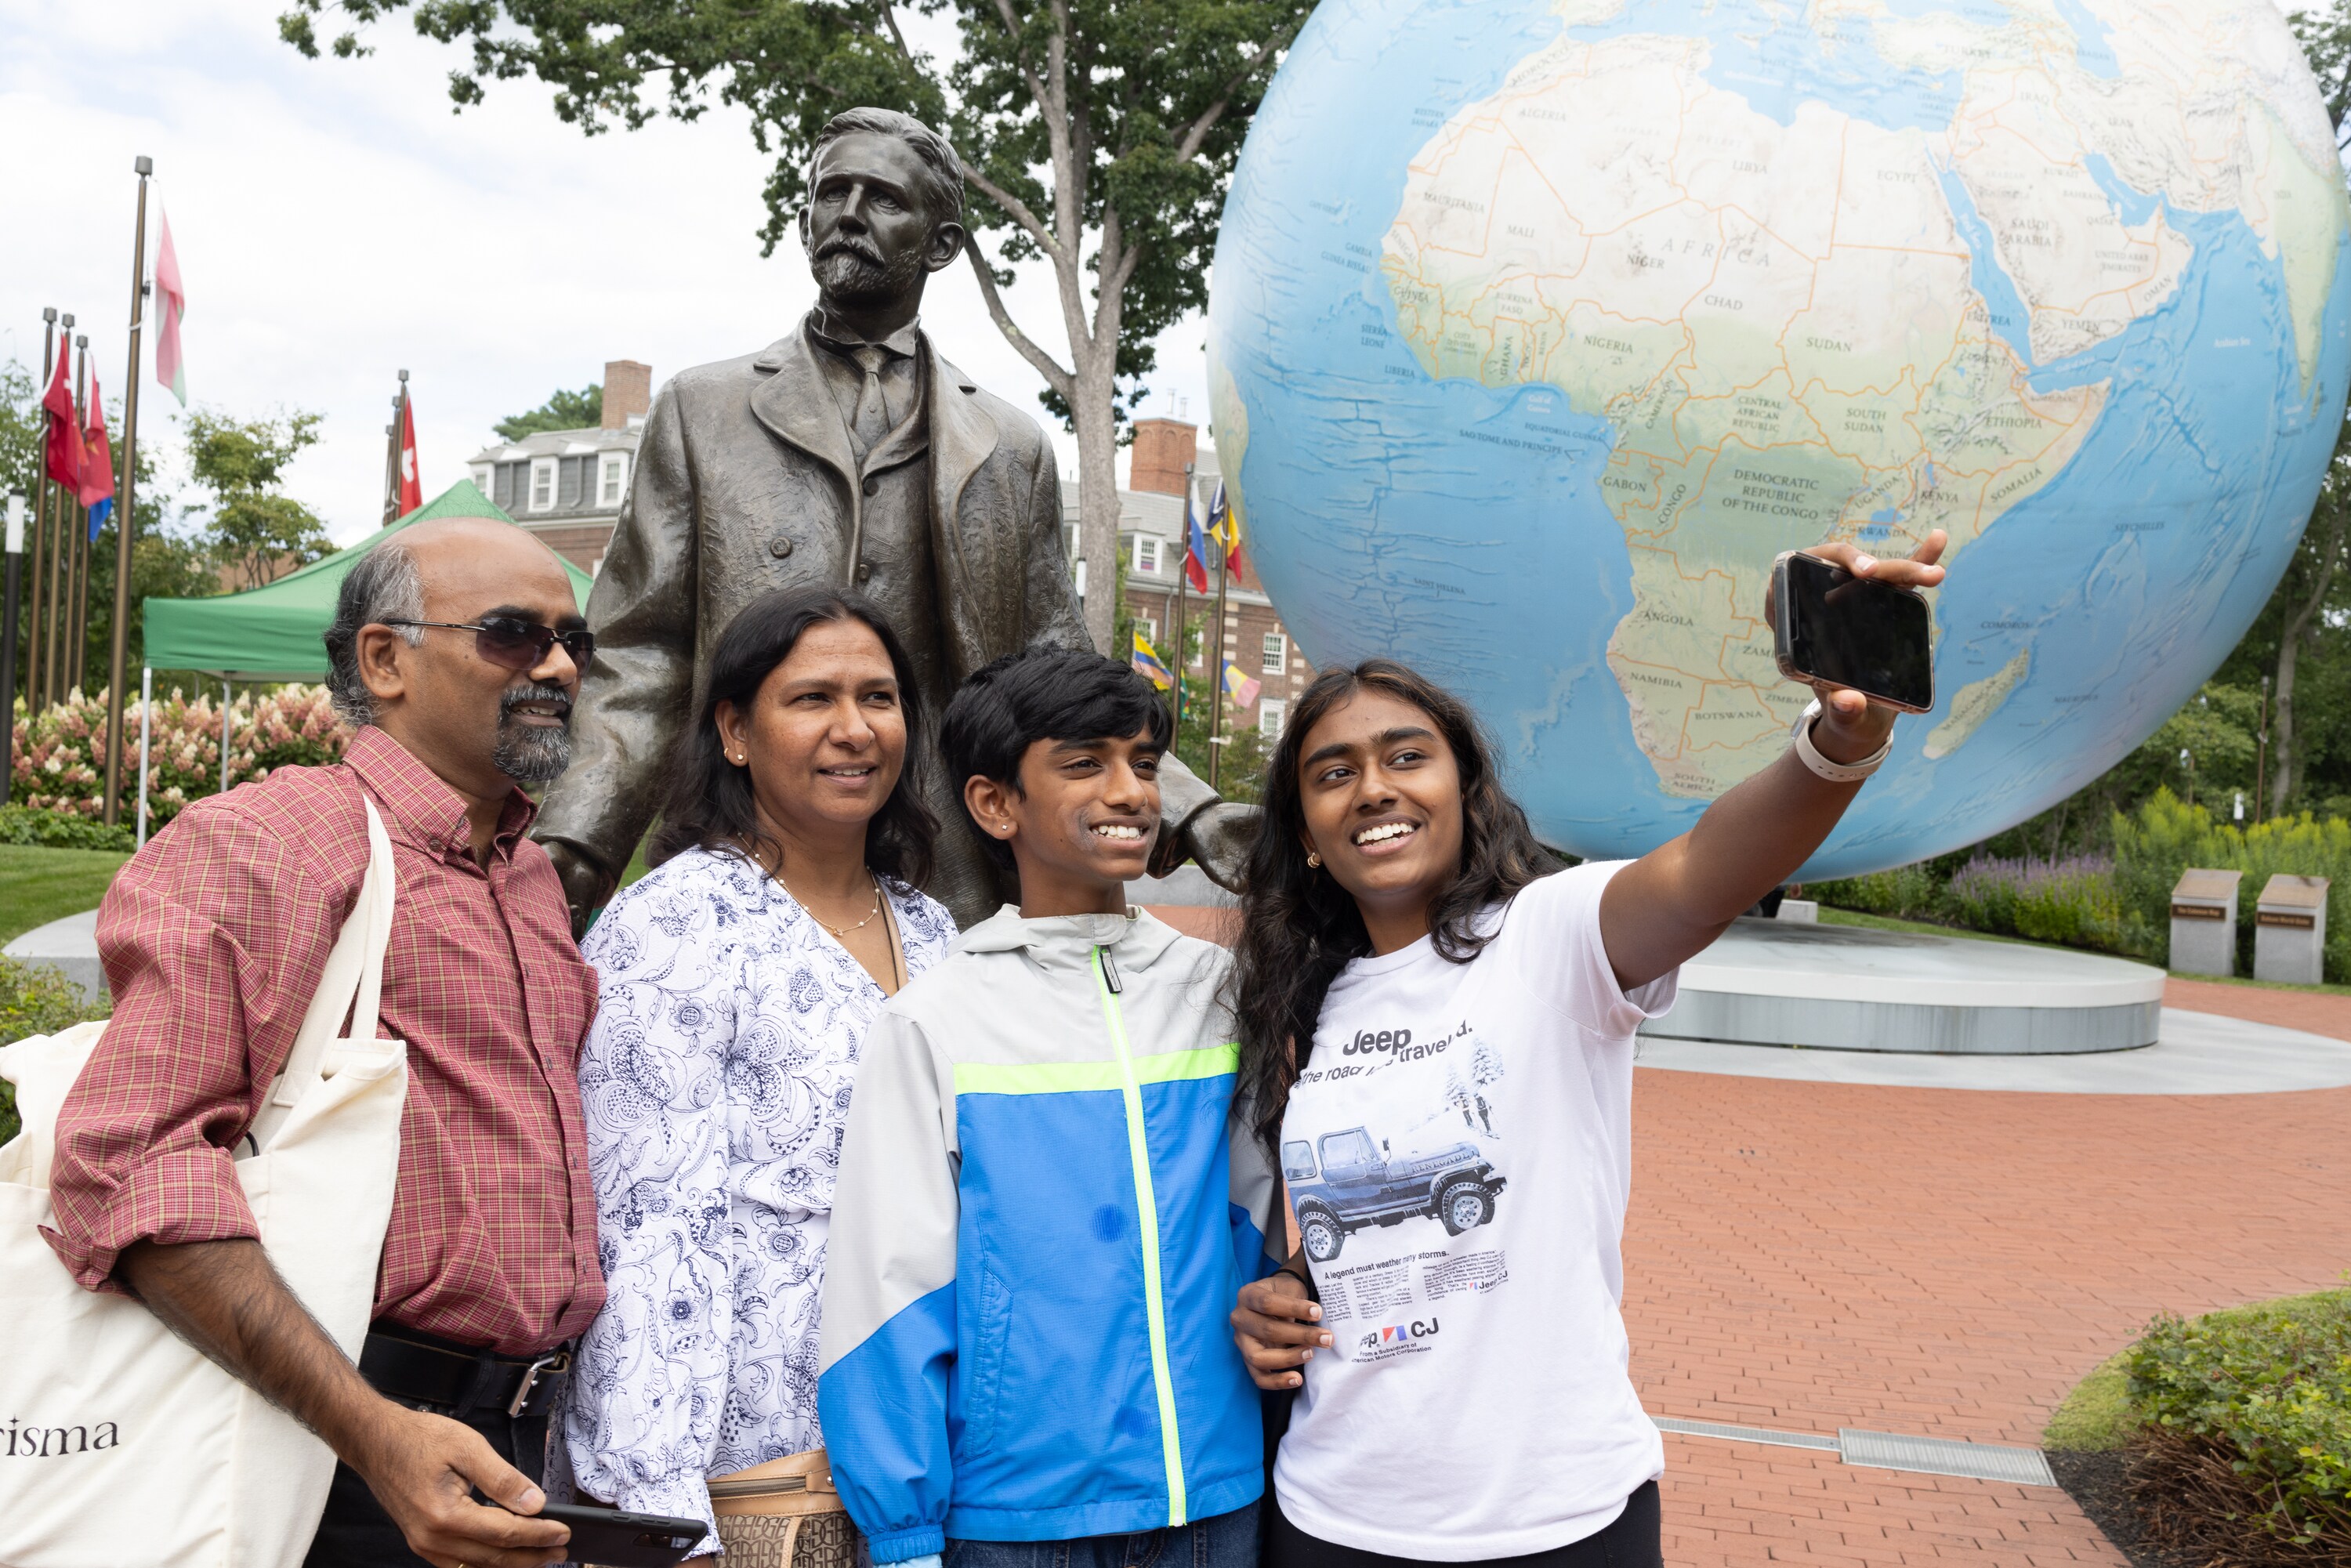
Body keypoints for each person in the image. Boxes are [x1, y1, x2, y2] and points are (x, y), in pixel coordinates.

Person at [1229, 539, 1949, 1566]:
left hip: (1558, 1518)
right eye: (1332, 774)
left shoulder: (1555, 935)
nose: (1374, 789)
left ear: (1462, 787)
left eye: (1406, 756)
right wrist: (1289, 1291)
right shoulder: (1310, 1000)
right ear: (1305, 831)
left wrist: (1838, 741)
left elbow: (1708, 868)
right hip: (1334, 1515)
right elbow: (1371, 1219)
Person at [531, 106, 1248, 935]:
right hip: (749, 852)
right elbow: (639, 653)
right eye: (830, 194)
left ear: (940, 244)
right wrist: (577, 839)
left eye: (882, 199)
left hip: (946, 871)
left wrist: (1186, 808)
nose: (848, 215)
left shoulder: (1010, 445)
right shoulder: (703, 411)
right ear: (803, 223)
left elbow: (1054, 666)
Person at [45, 514, 604, 1568]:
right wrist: (369, 1431)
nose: (561, 667)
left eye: (578, 641)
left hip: (524, 1448)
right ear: (384, 659)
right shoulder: (268, 847)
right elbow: (132, 1166)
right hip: (325, 1455)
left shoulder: (526, 874)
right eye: (513, 636)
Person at [816, 646, 1278, 1567]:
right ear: (996, 804)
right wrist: (903, 1533)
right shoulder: (935, 1021)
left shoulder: (1217, 990)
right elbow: (885, 1286)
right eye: (1085, 764)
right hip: (1017, 1522)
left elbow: (1254, 1229)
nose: (1132, 792)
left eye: (1144, 764)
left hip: (1217, 1498)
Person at [563, 587, 958, 1552]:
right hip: (758, 1478)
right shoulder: (678, 924)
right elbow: (645, 1224)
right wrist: (660, 1512)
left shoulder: (937, 931)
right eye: (813, 699)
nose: (854, 729)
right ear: (736, 732)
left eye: (879, 698)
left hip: (928, 1453)